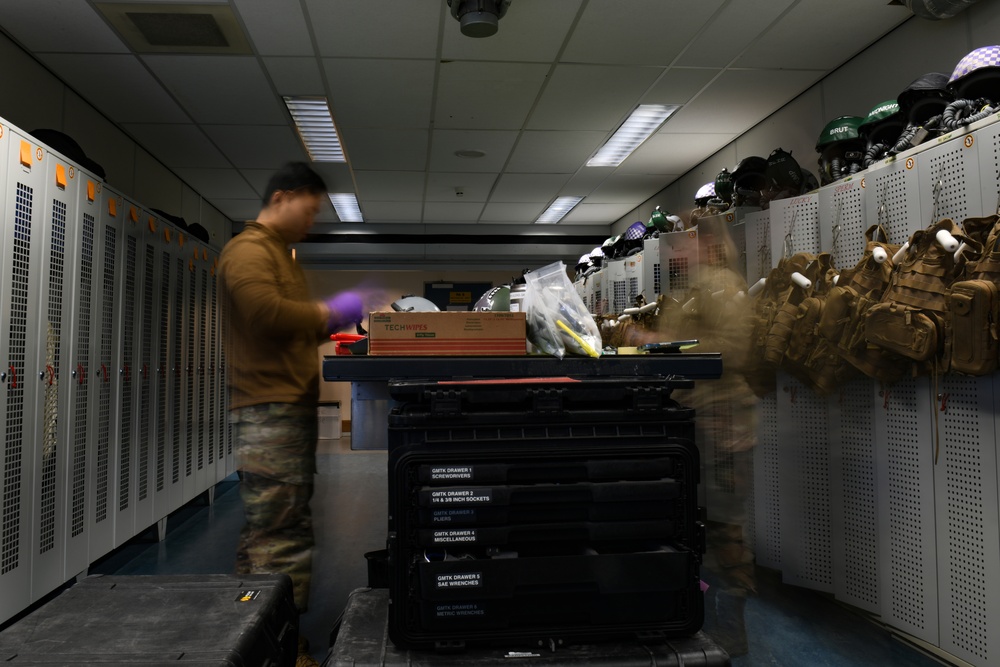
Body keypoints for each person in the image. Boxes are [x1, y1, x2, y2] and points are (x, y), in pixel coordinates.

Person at [218, 162, 363, 667]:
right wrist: (329, 312)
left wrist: (332, 325)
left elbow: (286, 328)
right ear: (282, 197)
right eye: (309, 209)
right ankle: (281, 649)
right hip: (269, 413)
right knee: (279, 536)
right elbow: (264, 314)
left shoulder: (278, 253)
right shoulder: (249, 251)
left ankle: (251, 637)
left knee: (273, 528)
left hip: (282, 409)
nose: (312, 222)